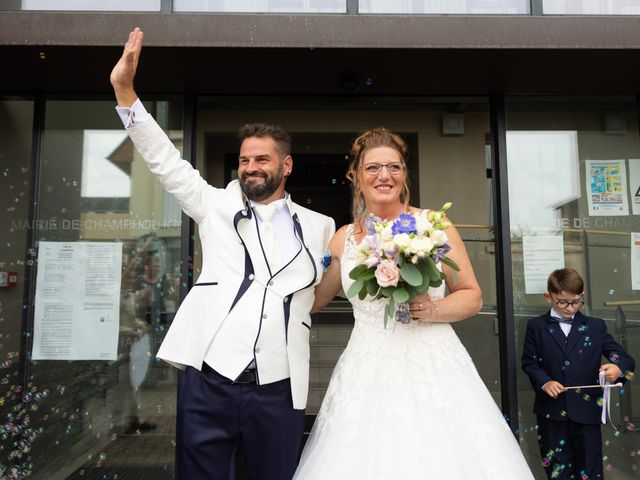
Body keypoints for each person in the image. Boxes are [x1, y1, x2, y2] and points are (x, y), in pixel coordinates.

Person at [110, 28, 335, 479]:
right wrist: (125, 91)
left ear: (286, 165)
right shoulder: (214, 204)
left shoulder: (320, 226)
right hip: (210, 377)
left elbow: (317, 290)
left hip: (279, 383)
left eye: (262, 160)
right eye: (245, 160)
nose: (251, 167)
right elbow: (164, 162)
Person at [293, 128, 535, 479]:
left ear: (404, 174)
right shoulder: (342, 239)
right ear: (356, 176)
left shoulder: (434, 226)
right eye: (373, 168)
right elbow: (314, 300)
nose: (384, 176)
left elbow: (472, 295)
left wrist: (433, 309)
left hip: (433, 365)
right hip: (367, 366)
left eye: (394, 167)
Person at [521, 268, 635, 480]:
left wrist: (618, 369)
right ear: (549, 297)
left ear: (582, 297)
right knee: (558, 471)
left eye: (575, 302)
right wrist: (545, 382)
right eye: (562, 302)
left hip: (587, 414)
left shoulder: (595, 327)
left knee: (590, 471)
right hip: (551, 414)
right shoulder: (535, 326)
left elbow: (624, 359)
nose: (569, 308)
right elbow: (529, 363)